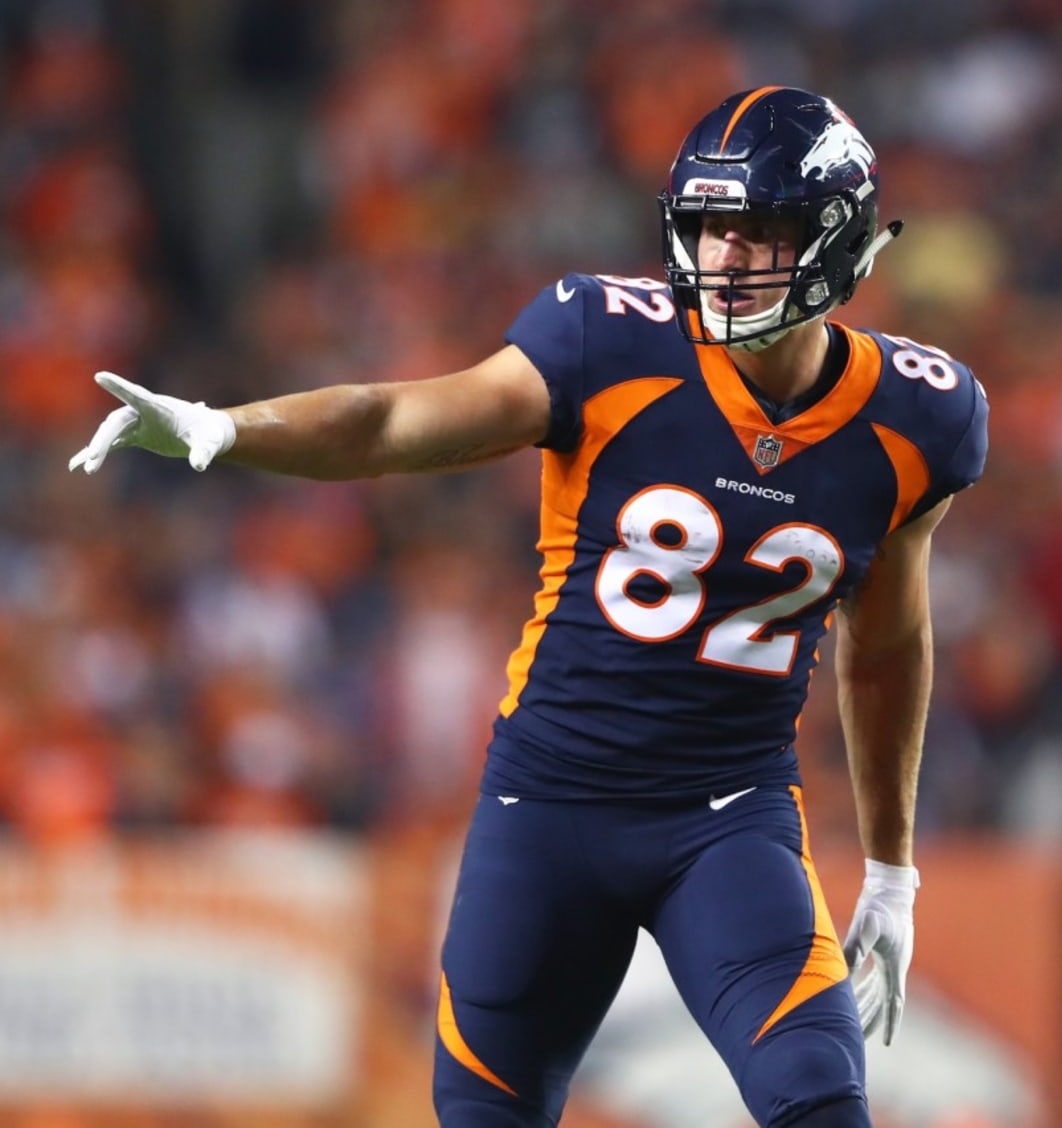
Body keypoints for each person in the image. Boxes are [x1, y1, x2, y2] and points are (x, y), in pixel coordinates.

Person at [71, 86, 988, 1127]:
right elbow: (389, 421)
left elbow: (889, 642)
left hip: (730, 821)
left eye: (760, 230)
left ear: (839, 240)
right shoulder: (606, 340)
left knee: (821, 1103)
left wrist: (892, 869)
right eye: (709, 229)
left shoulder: (925, 418)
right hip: (550, 809)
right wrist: (229, 429)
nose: (726, 259)